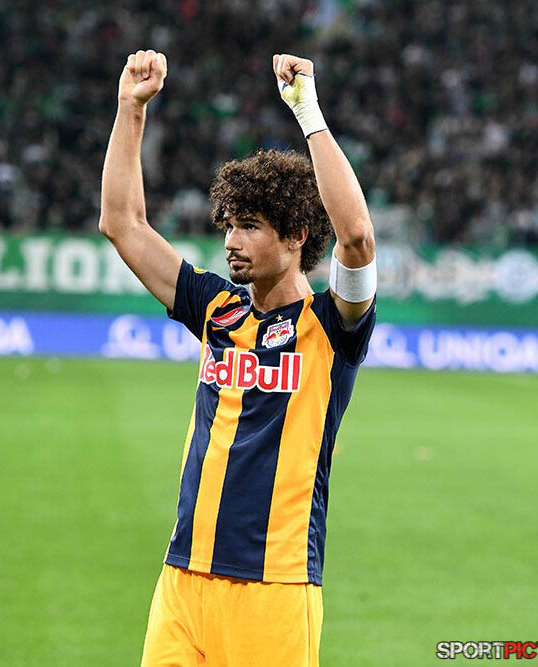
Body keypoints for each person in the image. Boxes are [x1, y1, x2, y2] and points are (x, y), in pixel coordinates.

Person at [99, 49, 377, 667]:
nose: (230, 241)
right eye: (227, 224)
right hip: (182, 579)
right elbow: (122, 223)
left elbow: (357, 237)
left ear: (296, 235)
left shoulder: (331, 327)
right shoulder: (216, 309)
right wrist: (129, 109)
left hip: (274, 588)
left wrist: (307, 112)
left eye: (249, 226)